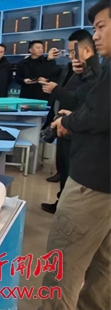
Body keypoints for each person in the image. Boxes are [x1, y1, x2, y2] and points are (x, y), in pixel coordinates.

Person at [16, 0, 111, 310]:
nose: (95, 36)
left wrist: (68, 123)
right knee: (104, 254)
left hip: (92, 178)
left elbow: (97, 114)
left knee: (67, 248)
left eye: (101, 27)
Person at [40, 30, 101, 214]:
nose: (71, 56)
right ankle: (61, 203)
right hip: (66, 123)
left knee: (72, 172)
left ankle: (66, 208)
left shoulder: (96, 73)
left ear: (87, 50)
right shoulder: (75, 69)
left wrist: (56, 90)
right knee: (64, 168)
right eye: (69, 52)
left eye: (74, 52)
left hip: (76, 129)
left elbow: (81, 100)